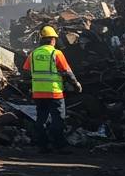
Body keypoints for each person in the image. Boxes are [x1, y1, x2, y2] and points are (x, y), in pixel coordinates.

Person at [23, 25, 83, 154]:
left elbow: (26, 72)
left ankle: (43, 146)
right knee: (58, 120)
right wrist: (76, 84)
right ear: (52, 40)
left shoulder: (33, 54)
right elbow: (67, 72)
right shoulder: (56, 53)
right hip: (54, 92)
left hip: (38, 93)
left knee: (41, 120)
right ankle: (59, 145)